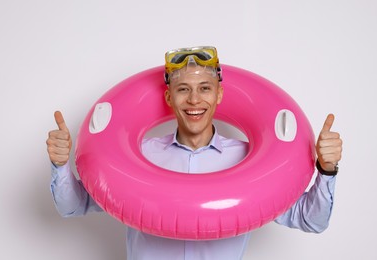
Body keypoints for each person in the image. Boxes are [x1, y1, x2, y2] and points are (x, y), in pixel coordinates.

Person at [46, 46, 343, 260]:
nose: (194, 100)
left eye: (204, 88)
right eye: (183, 90)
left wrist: (326, 170)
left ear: (219, 95)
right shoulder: (141, 157)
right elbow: (73, 206)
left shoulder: (249, 161)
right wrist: (60, 165)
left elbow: (311, 220)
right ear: (169, 98)